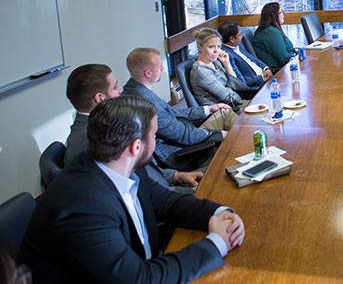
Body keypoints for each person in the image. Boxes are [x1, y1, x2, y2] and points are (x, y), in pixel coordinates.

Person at [22, 97, 245, 282]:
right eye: (154, 136)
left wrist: (219, 213)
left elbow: (168, 202)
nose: (156, 143)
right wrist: (217, 243)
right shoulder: (83, 207)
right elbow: (139, 280)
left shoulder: (119, 164)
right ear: (136, 147)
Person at [64, 64, 202, 193]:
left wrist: (178, 176)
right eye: (114, 87)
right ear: (100, 98)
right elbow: (139, 192)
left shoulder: (102, 126)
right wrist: (189, 191)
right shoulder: (94, 140)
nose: (120, 90)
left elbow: (143, 171)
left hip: (166, 184)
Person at [122, 48, 236, 171]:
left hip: (186, 131)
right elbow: (183, 135)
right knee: (234, 147)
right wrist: (222, 134)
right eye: (160, 66)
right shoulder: (145, 102)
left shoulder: (134, 88)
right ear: (148, 73)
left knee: (224, 113)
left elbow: (172, 113)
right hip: (184, 151)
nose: (162, 69)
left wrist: (207, 109)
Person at [190, 28, 250, 113]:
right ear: (199, 47)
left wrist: (227, 64)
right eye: (211, 47)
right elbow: (230, 98)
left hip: (234, 106)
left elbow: (237, 85)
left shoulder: (215, 62)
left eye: (218, 47)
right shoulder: (201, 71)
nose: (216, 51)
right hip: (225, 113)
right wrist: (230, 86)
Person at [218, 20, 272, 90]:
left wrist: (266, 68)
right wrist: (262, 78)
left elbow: (254, 59)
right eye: (240, 34)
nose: (242, 36)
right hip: (257, 87)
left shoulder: (238, 45)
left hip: (265, 78)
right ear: (232, 39)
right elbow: (241, 81)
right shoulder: (227, 55)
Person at [252, 2, 295, 71]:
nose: (283, 14)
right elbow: (284, 59)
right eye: (281, 12)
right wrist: (295, 54)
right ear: (274, 16)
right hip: (279, 72)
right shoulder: (270, 32)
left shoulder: (271, 30)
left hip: (284, 68)